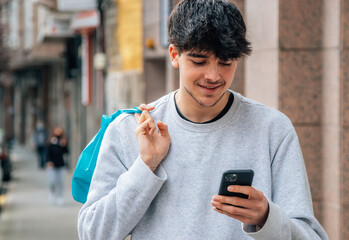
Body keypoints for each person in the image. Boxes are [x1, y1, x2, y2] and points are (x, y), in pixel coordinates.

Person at [78, 0, 329, 239]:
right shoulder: (130, 130)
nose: (213, 75)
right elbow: (92, 234)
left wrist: (266, 217)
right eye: (199, 61)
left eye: (225, 63)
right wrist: (146, 165)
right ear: (174, 55)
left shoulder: (273, 130)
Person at [46, 126, 68, 206]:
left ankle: (60, 197)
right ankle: (52, 193)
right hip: (52, 165)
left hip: (61, 165)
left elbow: (66, 152)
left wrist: (64, 145)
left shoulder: (63, 141)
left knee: (60, 182)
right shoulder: (51, 142)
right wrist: (49, 161)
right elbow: (48, 152)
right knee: (52, 181)